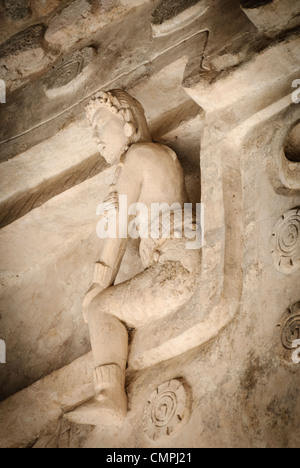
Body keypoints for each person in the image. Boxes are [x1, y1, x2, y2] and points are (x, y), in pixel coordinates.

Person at [66, 90, 200, 426]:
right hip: (179, 261)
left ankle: (111, 398)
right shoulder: (158, 156)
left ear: (127, 123)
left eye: (100, 126)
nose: (97, 139)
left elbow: (119, 234)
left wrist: (96, 287)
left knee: (100, 307)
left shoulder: (138, 157)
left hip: (176, 268)